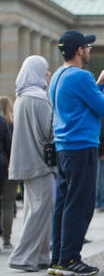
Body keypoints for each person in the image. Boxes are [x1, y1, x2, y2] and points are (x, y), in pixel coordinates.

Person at [49, 31, 104, 276]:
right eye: (88, 47)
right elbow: (103, 107)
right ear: (80, 50)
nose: (90, 51)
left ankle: (57, 257)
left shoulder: (59, 75)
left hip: (64, 147)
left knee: (64, 204)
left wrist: (98, 84)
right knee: (80, 205)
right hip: (82, 146)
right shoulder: (81, 76)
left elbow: (76, 102)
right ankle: (70, 259)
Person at [8, 56, 54, 272]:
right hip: (39, 163)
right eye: (45, 70)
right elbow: (50, 131)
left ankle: (40, 256)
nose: (48, 74)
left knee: (34, 210)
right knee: (39, 212)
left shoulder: (21, 98)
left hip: (24, 162)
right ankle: (23, 256)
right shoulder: (39, 98)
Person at [0, 96, 14, 249]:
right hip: (6, 165)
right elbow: (9, 144)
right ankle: (7, 239)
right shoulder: (8, 122)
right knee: (8, 204)